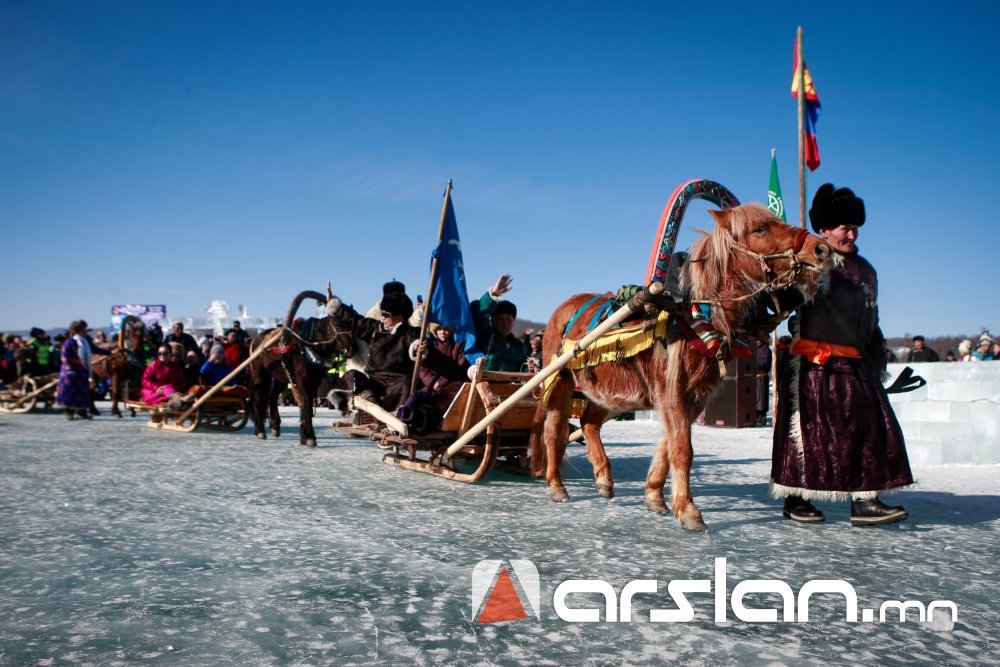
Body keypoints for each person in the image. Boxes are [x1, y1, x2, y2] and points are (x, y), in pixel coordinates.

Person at [771, 184, 913, 527]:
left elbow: (872, 320)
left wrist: (877, 360)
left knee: (871, 430)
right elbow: (781, 303)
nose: (850, 234)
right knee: (808, 434)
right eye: (843, 228)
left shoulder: (866, 270)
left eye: (854, 228)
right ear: (825, 231)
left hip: (857, 364)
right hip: (815, 365)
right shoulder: (813, 264)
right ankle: (796, 497)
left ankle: (864, 501)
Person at [328, 289, 421, 412]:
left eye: (386, 314)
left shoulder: (411, 334)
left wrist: (417, 347)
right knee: (351, 375)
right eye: (382, 313)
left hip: (396, 382)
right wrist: (336, 306)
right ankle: (372, 407)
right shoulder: (375, 329)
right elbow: (354, 320)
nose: (382, 317)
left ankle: (396, 417)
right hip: (374, 379)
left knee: (405, 384)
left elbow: (417, 345)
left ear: (400, 317)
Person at [471, 273, 528, 372]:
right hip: (483, 384)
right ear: (493, 320)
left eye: (509, 319)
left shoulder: (518, 345)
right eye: (501, 319)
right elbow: (480, 314)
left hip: (510, 387)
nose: (505, 323)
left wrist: (531, 368)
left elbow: (523, 367)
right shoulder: (484, 336)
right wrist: (494, 294)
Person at [55, 320, 108, 420]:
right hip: (71, 371)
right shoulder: (70, 343)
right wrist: (69, 368)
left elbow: (95, 350)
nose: (85, 332)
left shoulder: (85, 342)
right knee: (71, 392)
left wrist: (110, 352)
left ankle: (82, 412)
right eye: (84, 330)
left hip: (82, 370)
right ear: (78, 331)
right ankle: (69, 411)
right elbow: (64, 356)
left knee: (83, 391)